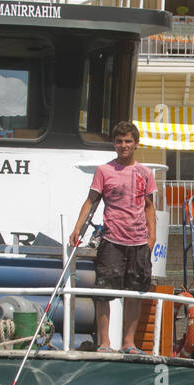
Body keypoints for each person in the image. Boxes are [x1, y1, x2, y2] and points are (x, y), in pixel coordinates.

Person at [69, 121, 157, 352]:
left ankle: (129, 343)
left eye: (128, 141)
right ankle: (105, 342)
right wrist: (77, 228)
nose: (123, 145)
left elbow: (149, 207)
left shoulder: (145, 173)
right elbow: (91, 201)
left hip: (139, 242)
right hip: (112, 241)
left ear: (136, 144)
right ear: (114, 144)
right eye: (119, 141)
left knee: (135, 295)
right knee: (104, 294)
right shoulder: (104, 171)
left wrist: (152, 238)